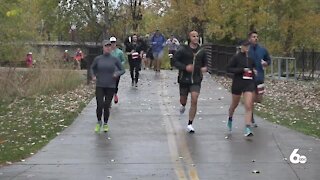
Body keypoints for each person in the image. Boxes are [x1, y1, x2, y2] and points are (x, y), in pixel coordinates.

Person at [173, 30, 207, 133]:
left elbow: (205, 64)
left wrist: (204, 68)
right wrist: (185, 67)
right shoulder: (183, 49)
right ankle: (183, 105)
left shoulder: (202, 51)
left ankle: (190, 123)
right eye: (193, 36)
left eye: (197, 36)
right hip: (184, 79)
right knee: (183, 100)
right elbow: (174, 61)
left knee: (194, 99)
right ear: (189, 38)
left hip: (196, 79)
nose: (196, 38)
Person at [90, 40, 125, 133]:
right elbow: (92, 68)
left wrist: (117, 73)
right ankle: (98, 122)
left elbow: (122, 70)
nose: (108, 48)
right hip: (100, 84)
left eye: (109, 46)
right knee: (100, 104)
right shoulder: (98, 59)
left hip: (110, 85)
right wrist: (93, 76)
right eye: (106, 46)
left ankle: (105, 123)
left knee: (106, 105)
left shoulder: (114, 59)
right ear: (103, 47)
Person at [226, 40, 256, 137]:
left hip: (249, 84)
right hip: (238, 83)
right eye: (245, 46)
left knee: (248, 105)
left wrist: (254, 71)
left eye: (248, 46)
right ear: (241, 47)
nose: (247, 48)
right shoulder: (236, 57)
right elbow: (229, 68)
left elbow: (253, 68)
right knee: (234, 104)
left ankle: (247, 128)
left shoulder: (251, 58)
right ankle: (230, 118)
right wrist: (241, 70)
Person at [248, 31, 271, 127]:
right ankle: (251, 117)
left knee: (259, 99)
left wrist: (266, 63)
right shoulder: (247, 50)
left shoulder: (262, 50)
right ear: (249, 39)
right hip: (250, 78)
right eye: (253, 37)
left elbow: (268, 60)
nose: (256, 38)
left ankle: (250, 111)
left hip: (260, 77)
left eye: (257, 37)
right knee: (251, 99)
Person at [110, 36, 126, 104]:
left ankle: (115, 94)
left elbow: (123, 60)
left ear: (116, 43)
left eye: (114, 42)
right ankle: (109, 99)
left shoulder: (120, 52)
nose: (112, 44)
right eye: (111, 43)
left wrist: (120, 64)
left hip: (117, 71)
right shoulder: (108, 51)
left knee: (115, 84)